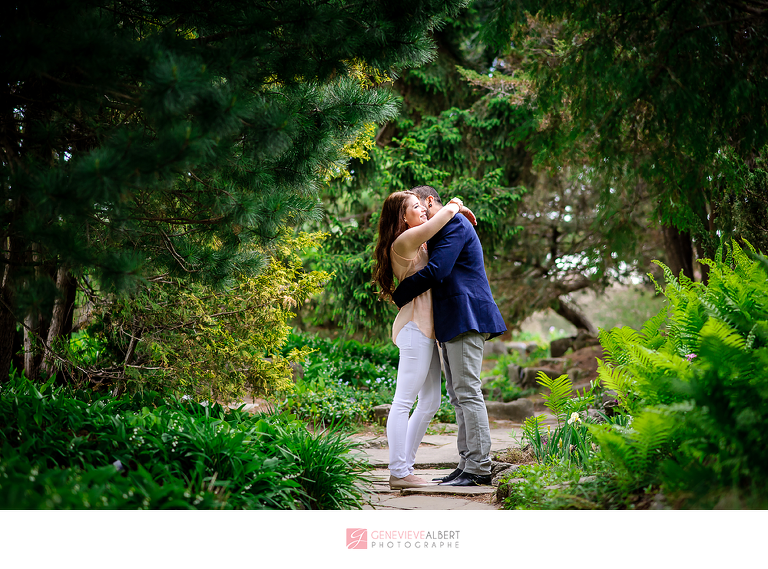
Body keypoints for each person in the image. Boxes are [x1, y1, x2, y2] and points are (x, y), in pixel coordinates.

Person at [392, 185, 506, 486]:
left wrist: (399, 294)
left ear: (431, 202)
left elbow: (439, 270)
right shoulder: (439, 229)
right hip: (451, 320)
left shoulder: (454, 223)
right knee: (458, 396)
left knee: (468, 391)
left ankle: (480, 468)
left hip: (466, 315)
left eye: (420, 204)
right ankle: (466, 462)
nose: (420, 212)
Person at [373, 190, 476, 490]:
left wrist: (457, 211)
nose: (422, 210)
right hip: (414, 328)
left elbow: (440, 226)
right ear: (402, 217)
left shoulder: (419, 240)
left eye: (422, 205)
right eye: (416, 207)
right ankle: (398, 470)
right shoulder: (403, 242)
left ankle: (406, 466)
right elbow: (442, 216)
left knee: (430, 401)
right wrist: (457, 204)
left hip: (427, 331)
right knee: (404, 400)